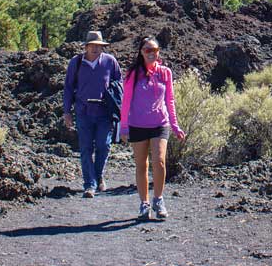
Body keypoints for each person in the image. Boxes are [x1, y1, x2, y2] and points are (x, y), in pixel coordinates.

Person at [120, 37, 185, 220]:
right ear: (141, 52)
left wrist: (175, 125)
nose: (151, 53)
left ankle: (158, 199)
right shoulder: (133, 73)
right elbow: (126, 102)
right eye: (147, 50)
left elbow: (170, 100)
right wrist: (123, 127)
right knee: (141, 165)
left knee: (160, 161)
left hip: (160, 124)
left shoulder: (165, 73)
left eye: (155, 50)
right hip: (137, 124)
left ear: (159, 52)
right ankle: (144, 203)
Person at [63, 30, 122, 198]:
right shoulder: (76, 63)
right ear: (86, 46)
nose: (96, 49)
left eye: (99, 46)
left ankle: (98, 175)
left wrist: (117, 104)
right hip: (83, 112)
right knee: (86, 148)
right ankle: (90, 184)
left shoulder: (110, 62)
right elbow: (68, 87)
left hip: (104, 112)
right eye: (92, 46)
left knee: (104, 145)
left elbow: (119, 83)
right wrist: (67, 111)